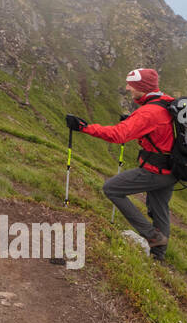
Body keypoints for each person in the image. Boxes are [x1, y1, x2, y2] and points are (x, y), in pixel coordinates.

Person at [66, 67, 177, 261]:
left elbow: (118, 135)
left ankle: (151, 236)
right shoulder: (166, 102)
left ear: (142, 87)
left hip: (155, 171)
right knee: (159, 208)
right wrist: (133, 122)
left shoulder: (148, 113)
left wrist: (84, 127)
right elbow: (160, 131)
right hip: (172, 170)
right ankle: (158, 256)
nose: (127, 88)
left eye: (131, 85)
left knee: (112, 188)